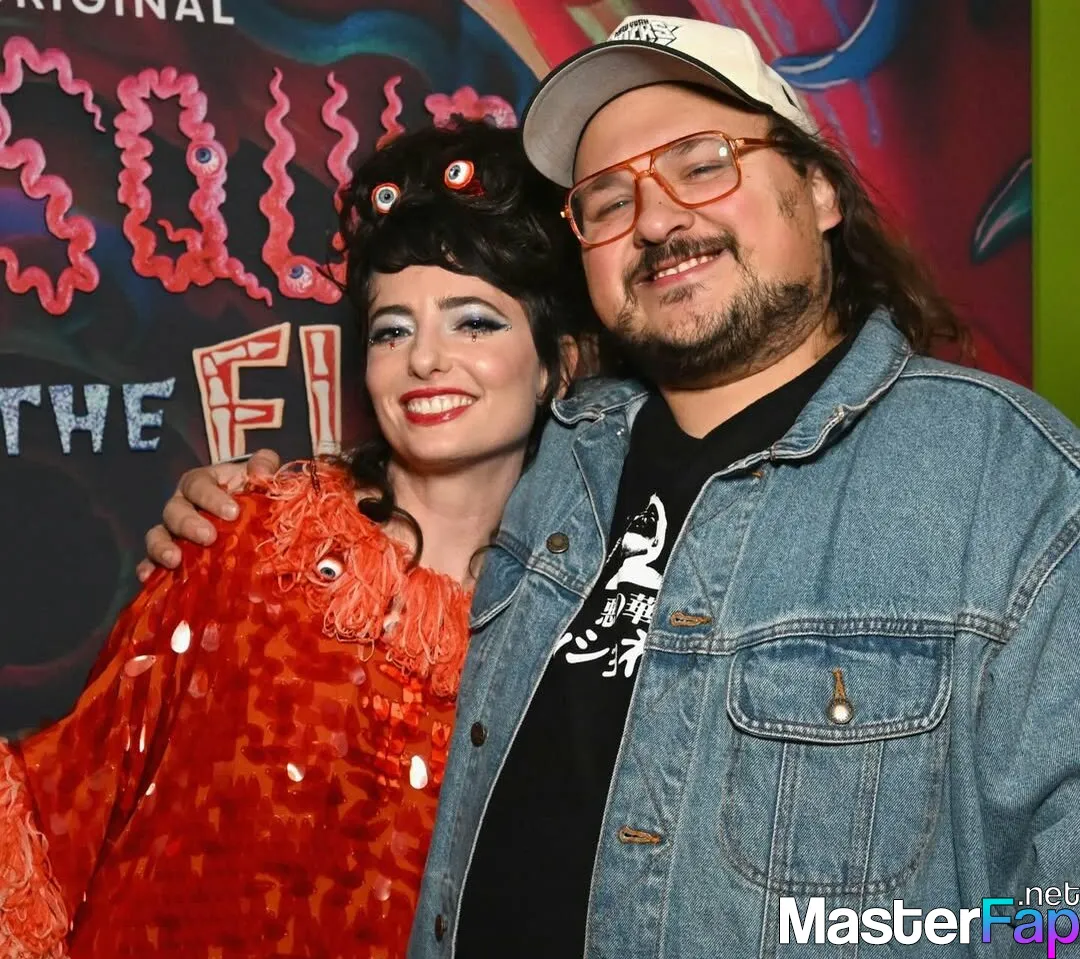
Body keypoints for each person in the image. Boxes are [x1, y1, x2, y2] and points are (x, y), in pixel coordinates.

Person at [138, 15, 1079, 959]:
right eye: (609, 200)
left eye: (702, 164)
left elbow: (1057, 916)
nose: (658, 221)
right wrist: (240, 531)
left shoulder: (1005, 484)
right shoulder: (557, 459)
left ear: (821, 189)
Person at [0, 120, 589, 958]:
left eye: (474, 322)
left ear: (559, 365)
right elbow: (71, 801)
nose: (425, 359)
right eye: (393, 328)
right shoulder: (250, 540)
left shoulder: (583, 633)